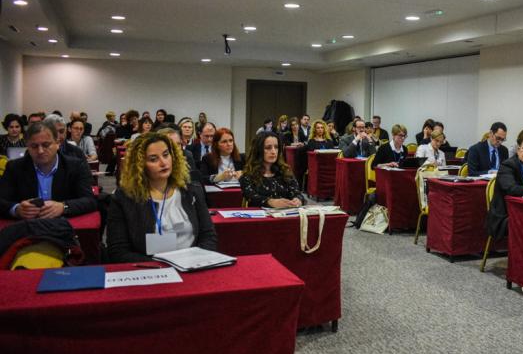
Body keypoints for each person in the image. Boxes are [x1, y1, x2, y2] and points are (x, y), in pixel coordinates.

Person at [105, 132, 218, 263]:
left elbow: (209, 236)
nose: (163, 163)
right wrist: (163, 266)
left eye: (166, 155)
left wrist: (195, 261)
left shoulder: (192, 191)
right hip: (151, 269)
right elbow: (118, 251)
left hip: (192, 265)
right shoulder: (124, 198)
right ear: (140, 165)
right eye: (153, 159)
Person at [0, 121, 96, 219]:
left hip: (64, 224)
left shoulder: (76, 166)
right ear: (27, 146)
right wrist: (16, 209)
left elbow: (90, 200)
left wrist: (63, 207)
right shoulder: (14, 167)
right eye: (34, 146)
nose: (40, 151)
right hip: (27, 225)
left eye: (46, 145)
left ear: (57, 143)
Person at [240, 132, 304, 208]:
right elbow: (251, 198)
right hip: (261, 214)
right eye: (268, 148)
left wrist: (298, 199)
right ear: (258, 150)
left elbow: (297, 193)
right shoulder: (248, 176)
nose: (273, 152)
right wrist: (270, 202)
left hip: (287, 213)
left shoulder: (285, 172)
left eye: (276, 147)